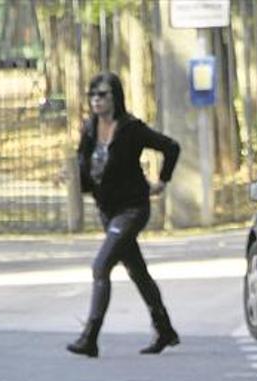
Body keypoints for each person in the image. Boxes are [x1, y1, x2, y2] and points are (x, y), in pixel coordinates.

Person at [66, 72, 181, 358]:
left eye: (102, 95)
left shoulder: (131, 129)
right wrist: (72, 178)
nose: (96, 100)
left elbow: (171, 147)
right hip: (107, 209)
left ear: (115, 97)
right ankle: (165, 329)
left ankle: (90, 336)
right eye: (92, 95)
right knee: (137, 271)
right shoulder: (90, 128)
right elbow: (83, 161)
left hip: (132, 208)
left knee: (101, 267)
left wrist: (162, 181)